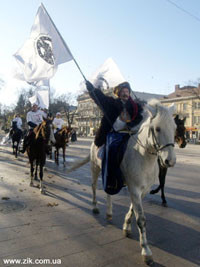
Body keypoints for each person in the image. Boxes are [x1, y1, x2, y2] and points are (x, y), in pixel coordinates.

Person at [85, 80, 143, 147]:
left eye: (127, 91)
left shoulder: (134, 106)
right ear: (119, 94)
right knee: (112, 149)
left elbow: (140, 117)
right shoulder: (112, 103)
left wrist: (131, 124)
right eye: (123, 92)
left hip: (129, 134)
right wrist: (92, 90)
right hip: (113, 133)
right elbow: (101, 98)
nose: (125, 94)